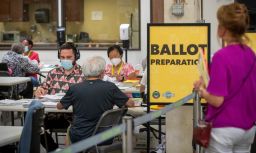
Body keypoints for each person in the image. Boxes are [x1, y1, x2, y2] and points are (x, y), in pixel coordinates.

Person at [194, 3, 256, 153]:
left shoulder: (221, 57)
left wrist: (201, 90)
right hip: (248, 129)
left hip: (224, 128)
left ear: (223, 29)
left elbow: (217, 100)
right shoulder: (251, 55)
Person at [57, 56, 134, 144]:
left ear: (84, 72)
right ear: (102, 73)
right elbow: (130, 104)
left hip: (80, 136)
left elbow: (59, 106)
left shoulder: (74, 88)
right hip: (104, 137)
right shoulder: (110, 87)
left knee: (70, 128)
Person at [34, 42, 84, 151]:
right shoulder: (53, 73)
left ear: (76, 56)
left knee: (79, 129)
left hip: (74, 117)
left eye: (69, 57)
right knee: (34, 126)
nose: (65, 60)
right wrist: (39, 90)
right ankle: (54, 149)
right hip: (54, 114)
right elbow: (43, 88)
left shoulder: (83, 73)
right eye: (62, 57)